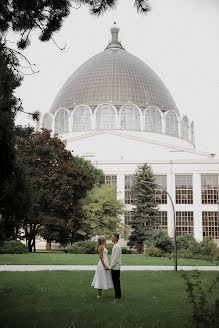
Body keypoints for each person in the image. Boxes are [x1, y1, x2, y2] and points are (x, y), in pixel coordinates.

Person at [109, 233, 122, 300]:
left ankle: (118, 296)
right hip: (114, 267)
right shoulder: (115, 246)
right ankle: (117, 295)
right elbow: (113, 257)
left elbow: (115, 258)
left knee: (116, 282)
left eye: (112, 237)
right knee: (115, 282)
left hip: (116, 267)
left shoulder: (117, 247)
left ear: (115, 238)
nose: (111, 238)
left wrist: (110, 266)